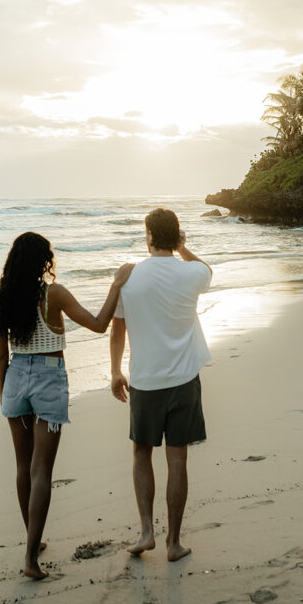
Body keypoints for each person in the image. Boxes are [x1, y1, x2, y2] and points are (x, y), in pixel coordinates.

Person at [0, 231, 133, 580]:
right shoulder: (53, 295)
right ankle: (30, 559)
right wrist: (116, 285)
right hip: (48, 379)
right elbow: (99, 325)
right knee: (42, 471)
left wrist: (4, 394)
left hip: (14, 380)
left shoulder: (4, 297)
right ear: (44, 261)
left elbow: (0, 353)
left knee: (23, 468)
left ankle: (33, 541)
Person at [110, 207, 212, 562]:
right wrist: (183, 249)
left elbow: (117, 330)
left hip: (145, 381)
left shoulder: (129, 278)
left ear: (149, 236)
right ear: (177, 236)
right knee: (177, 458)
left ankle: (146, 531)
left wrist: (115, 371)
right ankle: (174, 543)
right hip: (184, 380)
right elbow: (207, 270)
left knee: (141, 453)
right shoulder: (191, 272)